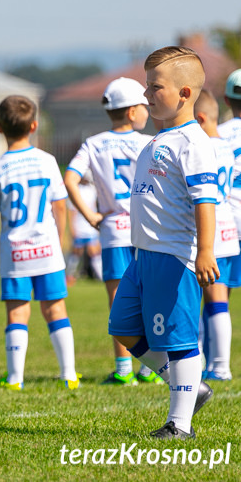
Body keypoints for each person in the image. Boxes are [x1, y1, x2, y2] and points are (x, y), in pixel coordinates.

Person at [108, 46, 217, 439]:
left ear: (184, 93)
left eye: (155, 87)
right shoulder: (158, 140)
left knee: (179, 338)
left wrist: (205, 250)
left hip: (174, 257)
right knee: (121, 326)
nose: (146, 96)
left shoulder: (193, 142)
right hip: (143, 257)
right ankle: (188, 386)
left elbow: (205, 201)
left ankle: (180, 424)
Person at [64, 77, 160, 385]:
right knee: (150, 297)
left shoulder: (93, 143)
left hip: (113, 233)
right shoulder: (149, 142)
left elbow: (70, 179)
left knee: (118, 301)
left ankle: (123, 369)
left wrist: (90, 215)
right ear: (132, 112)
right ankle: (151, 368)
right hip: (146, 230)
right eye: (144, 105)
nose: (148, 110)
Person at [0, 95, 78, 390]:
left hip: (14, 253)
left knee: (17, 312)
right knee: (56, 309)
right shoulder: (47, 161)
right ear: (34, 125)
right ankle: (69, 375)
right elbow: (60, 206)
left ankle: (15, 378)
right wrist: (58, 240)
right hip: (47, 249)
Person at [195, 89, 238, 380]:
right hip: (229, 228)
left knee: (213, 300)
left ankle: (218, 366)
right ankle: (216, 364)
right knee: (218, 299)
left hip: (210, 232)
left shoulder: (203, 147)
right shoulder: (226, 146)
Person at [213, 68, 241, 380]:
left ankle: (218, 365)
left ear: (226, 99)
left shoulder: (218, 133)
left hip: (228, 221)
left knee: (217, 294)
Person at [64, 172, 102, 284]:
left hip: (90, 226)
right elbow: (72, 212)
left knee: (94, 251)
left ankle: (101, 277)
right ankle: (69, 275)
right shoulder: (76, 189)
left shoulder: (93, 190)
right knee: (76, 252)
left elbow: (95, 207)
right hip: (80, 226)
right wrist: (73, 228)